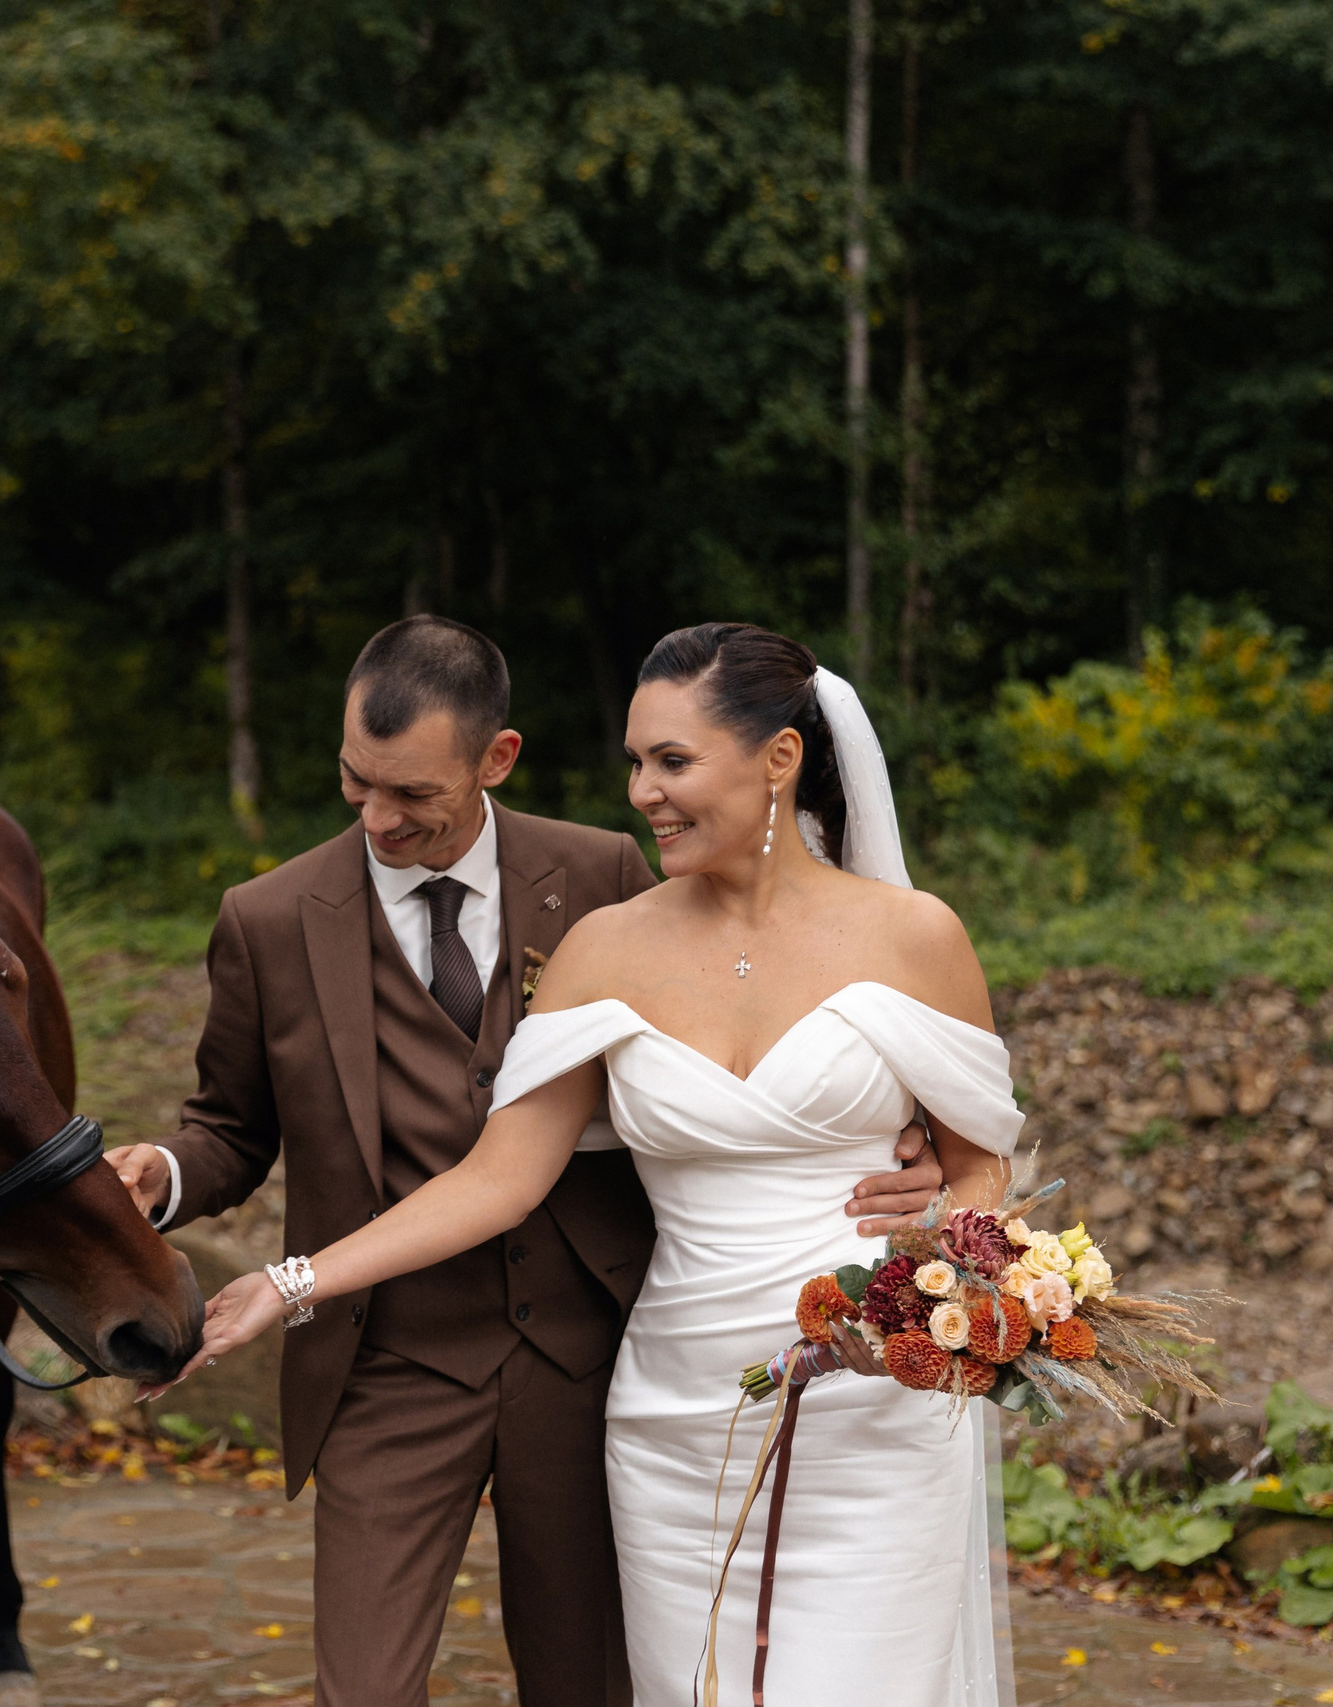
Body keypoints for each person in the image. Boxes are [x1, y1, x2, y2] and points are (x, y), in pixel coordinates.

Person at [104, 616, 955, 1707]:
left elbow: (783, 1042)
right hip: (391, 1356)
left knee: (591, 1679)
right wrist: (172, 1185)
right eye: (355, 781)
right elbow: (235, 1127)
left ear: (496, 758)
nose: (376, 816)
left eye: (411, 792)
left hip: (589, 1350)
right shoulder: (268, 919)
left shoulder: (606, 872)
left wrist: (919, 1155)